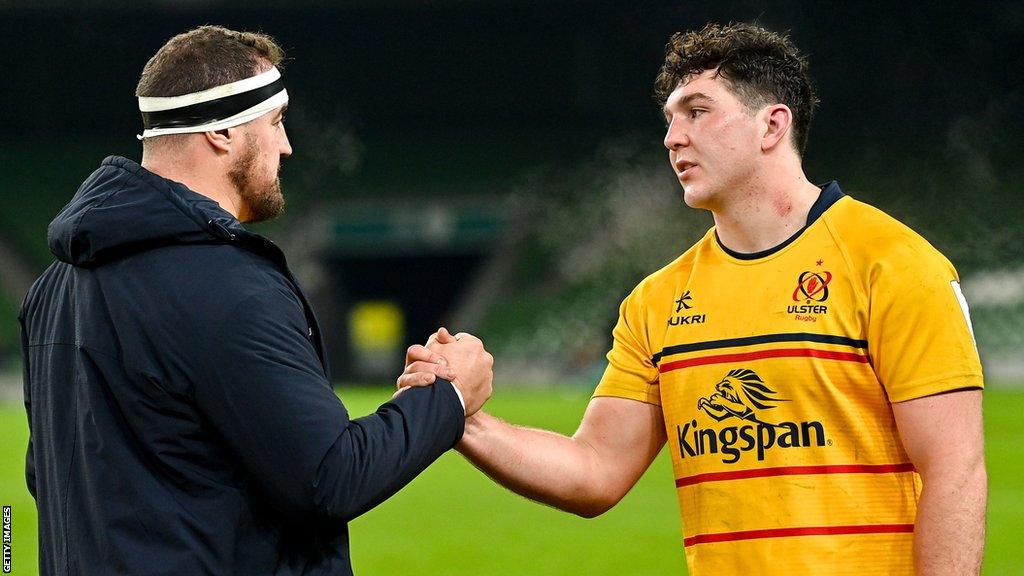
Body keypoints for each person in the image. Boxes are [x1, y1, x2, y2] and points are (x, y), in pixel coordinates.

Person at [402, 22, 986, 576]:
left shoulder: (894, 265)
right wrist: (458, 413)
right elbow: (594, 472)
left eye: (698, 112)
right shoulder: (657, 301)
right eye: (669, 119)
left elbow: (954, 471)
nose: (672, 137)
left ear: (771, 126)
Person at [20, 25, 492, 576]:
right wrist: (450, 397)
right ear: (221, 131)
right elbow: (331, 477)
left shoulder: (52, 288)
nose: (287, 145)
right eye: (276, 122)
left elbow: (46, 478)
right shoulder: (228, 287)